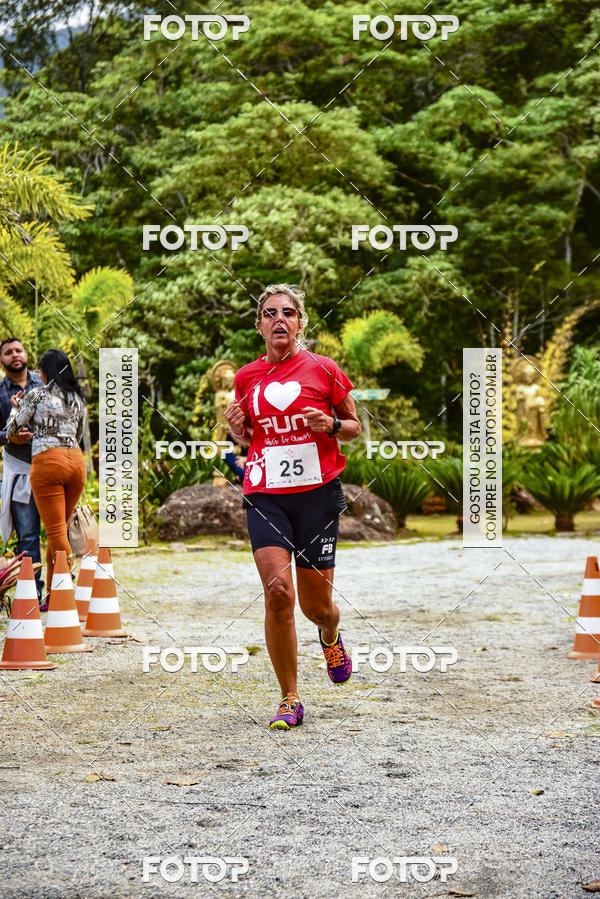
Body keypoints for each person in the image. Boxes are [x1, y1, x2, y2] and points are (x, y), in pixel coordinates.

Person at [225, 284, 361, 730]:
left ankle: (330, 634)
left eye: (288, 312)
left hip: (317, 495)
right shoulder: (246, 377)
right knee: (278, 593)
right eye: (270, 313)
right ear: (260, 325)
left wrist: (332, 423)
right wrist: (236, 429)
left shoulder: (324, 368)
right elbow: (248, 437)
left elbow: (354, 426)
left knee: (316, 607)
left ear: (301, 322)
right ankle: (289, 698)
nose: (279, 319)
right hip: (265, 492)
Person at [7, 349, 87, 605]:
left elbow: (13, 428)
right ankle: (55, 595)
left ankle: (67, 590)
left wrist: (14, 409)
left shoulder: (37, 393)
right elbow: (80, 434)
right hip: (76, 462)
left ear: (43, 372)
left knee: (54, 532)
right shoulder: (78, 398)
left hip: (47, 462)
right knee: (59, 531)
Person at [0, 337, 45, 604]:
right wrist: (10, 437)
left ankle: (62, 590)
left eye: (18, 350)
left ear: (26, 354)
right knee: (28, 534)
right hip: (20, 474)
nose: (15, 355)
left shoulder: (45, 384)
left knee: (58, 532)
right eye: (8, 352)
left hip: (51, 468)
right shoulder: (0, 393)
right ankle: (32, 594)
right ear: (2, 361)